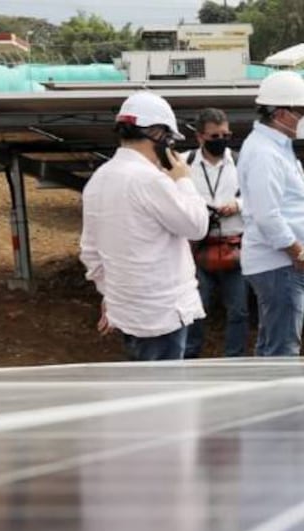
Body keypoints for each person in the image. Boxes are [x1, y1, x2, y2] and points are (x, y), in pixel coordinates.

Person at [79, 91, 209, 361]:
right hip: (163, 314)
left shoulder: (98, 181)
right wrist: (183, 179)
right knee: (166, 399)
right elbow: (197, 225)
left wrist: (112, 294)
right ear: (157, 134)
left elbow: (90, 253)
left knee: (145, 392)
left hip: (129, 313)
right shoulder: (150, 180)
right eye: (170, 139)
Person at [239, 71, 304, 357]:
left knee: (273, 344)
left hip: (279, 263)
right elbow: (267, 214)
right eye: (301, 111)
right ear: (280, 113)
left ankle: (265, 399)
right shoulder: (266, 152)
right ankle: (279, 399)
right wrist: (297, 251)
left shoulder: (276, 147)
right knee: (282, 349)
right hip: (279, 263)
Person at [183, 108, 249, 359]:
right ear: (200, 137)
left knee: (239, 310)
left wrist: (238, 206)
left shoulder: (241, 162)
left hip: (235, 247)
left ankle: (235, 360)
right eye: (214, 136)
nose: (221, 140)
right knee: (196, 308)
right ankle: (189, 358)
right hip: (197, 248)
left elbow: (258, 196)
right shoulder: (184, 163)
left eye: (225, 134)